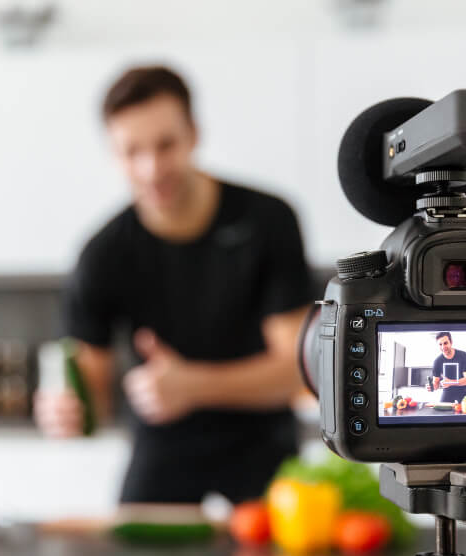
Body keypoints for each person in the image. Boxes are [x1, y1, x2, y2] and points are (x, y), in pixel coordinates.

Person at [34, 66, 314, 504]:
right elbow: (91, 393)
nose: (151, 168)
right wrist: (64, 411)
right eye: (132, 151)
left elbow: (297, 370)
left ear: (193, 135)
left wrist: (192, 385)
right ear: (113, 153)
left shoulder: (268, 221)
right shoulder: (102, 255)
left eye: (166, 145)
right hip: (160, 453)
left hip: (265, 450)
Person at [432, 331, 466, 403]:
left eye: (445, 343)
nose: (443, 347)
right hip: (447, 391)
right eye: (440, 344)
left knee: (465, 412)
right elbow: (436, 383)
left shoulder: (463, 355)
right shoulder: (437, 361)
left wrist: (450, 382)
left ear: (451, 342)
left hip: (463, 391)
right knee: (442, 412)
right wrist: (432, 387)